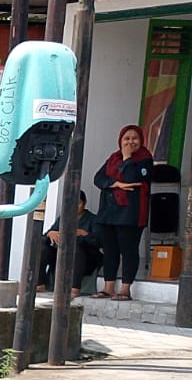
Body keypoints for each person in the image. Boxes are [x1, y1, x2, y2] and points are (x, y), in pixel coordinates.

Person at [91, 124, 154, 301]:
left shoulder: (145, 160)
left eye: (134, 138)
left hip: (131, 214)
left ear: (141, 140)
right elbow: (98, 178)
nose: (130, 142)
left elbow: (132, 177)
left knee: (128, 250)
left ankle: (125, 289)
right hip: (108, 212)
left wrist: (127, 159)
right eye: (126, 138)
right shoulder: (113, 157)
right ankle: (108, 287)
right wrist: (116, 184)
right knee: (110, 250)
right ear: (120, 140)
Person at [37, 191, 98, 296]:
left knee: (76, 248)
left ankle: (75, 288)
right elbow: (46, 237)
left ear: (84, 203)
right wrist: (50, 234)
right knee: (42, 248)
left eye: (78, 203)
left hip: (85, 257)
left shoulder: (93, 219)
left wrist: (84, 234)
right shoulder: (63, 218)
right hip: (61, 255)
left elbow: (99, 242)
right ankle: (40, 283)